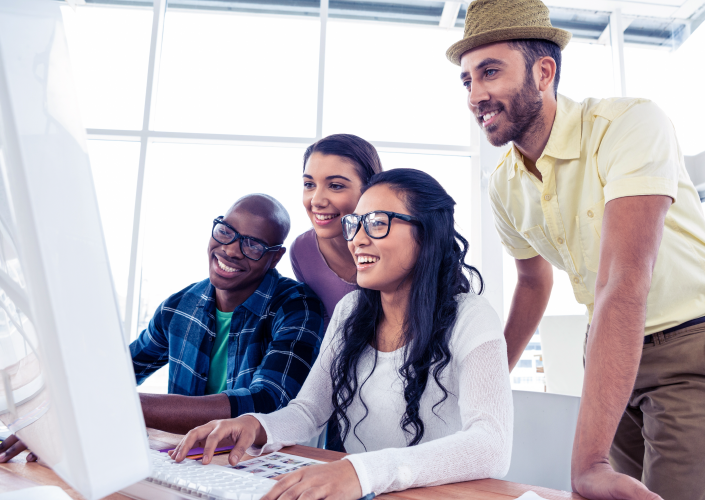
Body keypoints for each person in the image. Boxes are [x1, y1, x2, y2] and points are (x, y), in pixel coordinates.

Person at [448, 1, 705, 499]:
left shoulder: (629, 124)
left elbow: (624, 281)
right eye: (467, 81)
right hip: (608, 344)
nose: (476, 95)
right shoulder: (503, 184)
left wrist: (587, 462)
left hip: (693, 341)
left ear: (544, 72)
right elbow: (532, 282)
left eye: (490, 73)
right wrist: (489, 384)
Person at [170, 169, 513, 500]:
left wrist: (360, 473)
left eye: (377, 223)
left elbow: (491, 444)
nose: (357, 239)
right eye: (355, 224)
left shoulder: (471, 316)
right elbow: (308, 411)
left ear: (427, 234)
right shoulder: (351, 310)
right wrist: (255, 426)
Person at [1, 194, 326, 462]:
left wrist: (112, 406)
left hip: (256, 465)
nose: (230, 249)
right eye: (225, 232)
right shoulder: (179, 306)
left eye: (252, 245)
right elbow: (118, 373)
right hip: (185, 461)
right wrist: (48, 417)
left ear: (274, 257)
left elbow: (265, 402)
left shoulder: (296, 306)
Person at [291, 134, 383, 328]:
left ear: (369, 189)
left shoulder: (395, 245)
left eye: (335, 186)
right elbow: (326, 334)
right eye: (309, 184)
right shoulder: (302, 250)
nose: (316, 200)